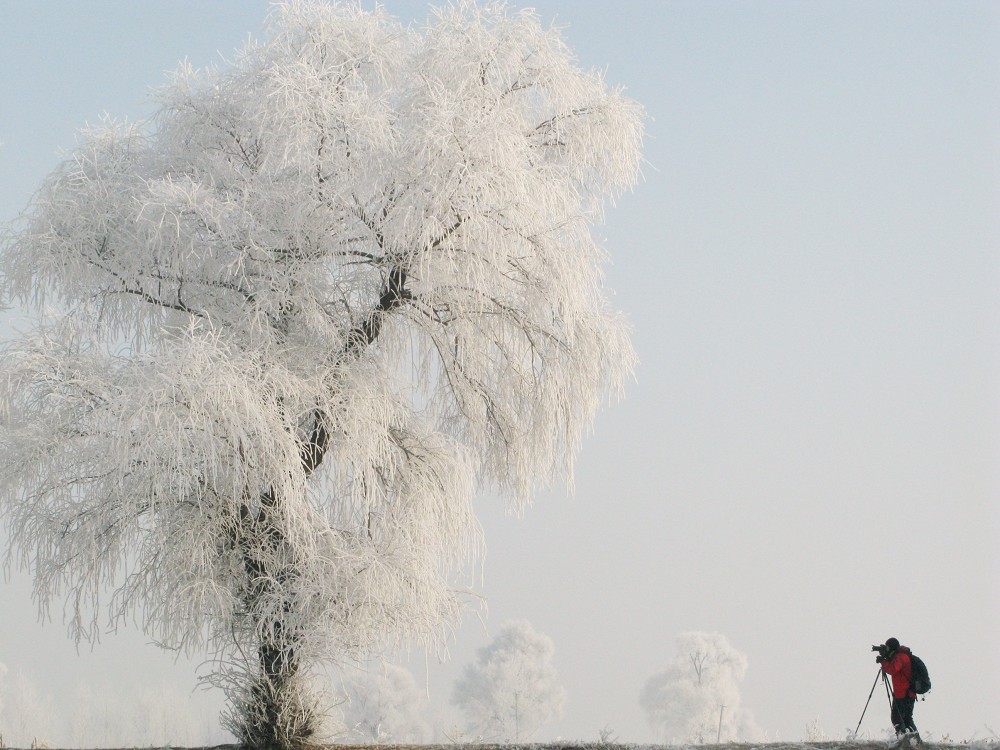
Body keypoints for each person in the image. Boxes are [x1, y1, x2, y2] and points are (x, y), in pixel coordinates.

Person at [877, 637, 918, 736]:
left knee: (896, 718)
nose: (887, 650)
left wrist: (883, 661)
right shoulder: (902, 656)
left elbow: (892, 669)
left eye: (887, 648)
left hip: (903, 694)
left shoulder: (901, 657)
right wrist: (886, 658)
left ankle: (903, 738)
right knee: (907, 718)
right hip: (908, 693)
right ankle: (914, 740)